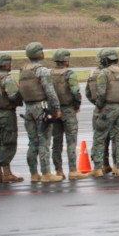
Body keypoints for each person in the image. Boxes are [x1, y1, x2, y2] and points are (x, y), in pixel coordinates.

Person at [18, 42, 62, 183]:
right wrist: (56, 109)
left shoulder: (23, 70)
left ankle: (33, 174)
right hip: (41, 107)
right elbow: (50, 91)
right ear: (39, 54)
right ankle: (46, 173)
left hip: (28, 108)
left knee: (32, 143)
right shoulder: (42, 70)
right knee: (44, 141)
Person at [86, 48, 119, 177]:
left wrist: (99, 106)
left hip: (107, 108)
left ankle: (98, 168)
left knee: (100, 137)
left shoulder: (104, 73)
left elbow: (99, 92)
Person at [50, 49, 88, 180]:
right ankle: (72, 170)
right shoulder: (69, 74)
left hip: (54, 111)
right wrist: (76, 106)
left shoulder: (49, 73)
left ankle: (58, 171)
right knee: (71, 142)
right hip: (68, 110)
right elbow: (75, 92)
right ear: (66, 60)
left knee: (56, 142)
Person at [0, 53, 24, 183]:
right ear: (5, 64)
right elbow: (14, 95)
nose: (11, 65)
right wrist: (20, 97)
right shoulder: (7, 79)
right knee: (8, 142)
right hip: (7, 113)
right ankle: (7, 173)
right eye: (9, 62)